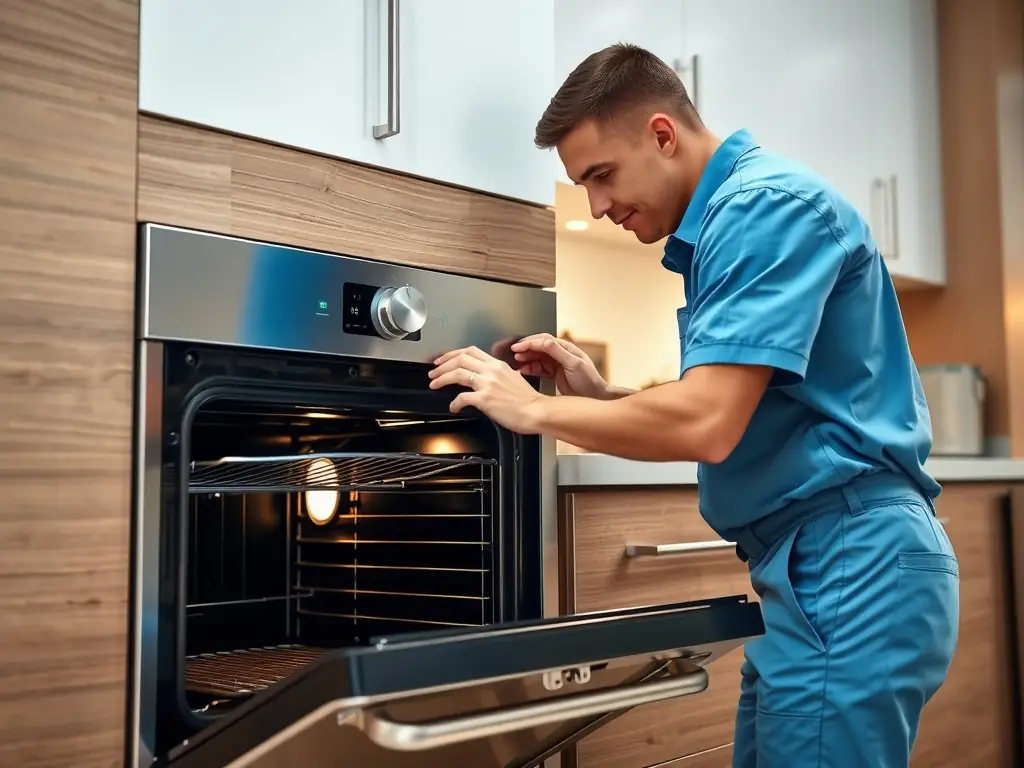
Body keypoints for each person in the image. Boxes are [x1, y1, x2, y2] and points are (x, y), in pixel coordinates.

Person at [428, 43, 959, 767]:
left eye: (602, 175)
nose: (598, 205)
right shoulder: (737, 218)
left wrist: (535, 410)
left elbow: (708, 423)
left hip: (850, 561)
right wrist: (602, 395)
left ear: (662, 134)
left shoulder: (759, 208)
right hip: (822, 567)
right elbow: (751, 411)